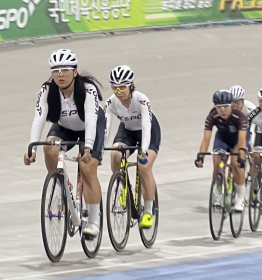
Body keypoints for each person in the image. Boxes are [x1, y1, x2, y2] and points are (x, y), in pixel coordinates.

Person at [24, 49, 105, 238]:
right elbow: (39, 120)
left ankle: (93, 221)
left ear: (75, 72)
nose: (60, 74)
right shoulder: (47, 90)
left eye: (65, 70)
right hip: (65, 128)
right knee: (49, 148)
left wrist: (88, 148)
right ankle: (62, 186)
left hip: (90, 127)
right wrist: (31, 148)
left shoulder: (87, 89)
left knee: (87, 167)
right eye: (55, 70)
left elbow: (92, 120)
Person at [103, 65, 160, 228]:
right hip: (127, 131)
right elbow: (105, 128)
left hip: (147, 132)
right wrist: (99, 150)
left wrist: (143, 150)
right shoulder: (111, 103)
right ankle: (123, 187)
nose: (118, 92)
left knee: (144, 167)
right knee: (115, 154)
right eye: (115, 88)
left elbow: (147, 127)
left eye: (122, 87)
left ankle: (148, 211)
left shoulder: (141, 100)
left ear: (131, 85)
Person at [195, 90, 248, 211]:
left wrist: (241, 155)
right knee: (217, 163)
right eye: (219, 107)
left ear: (231, 105)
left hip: (238, 140)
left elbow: (242, 141)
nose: (222, 110)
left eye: (225, 107)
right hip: (223, 138)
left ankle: (240, 198)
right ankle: (218, 192)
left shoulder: (240, 116)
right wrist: (201, 156)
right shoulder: (212, 116)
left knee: (236, 163)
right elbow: (206, 139)